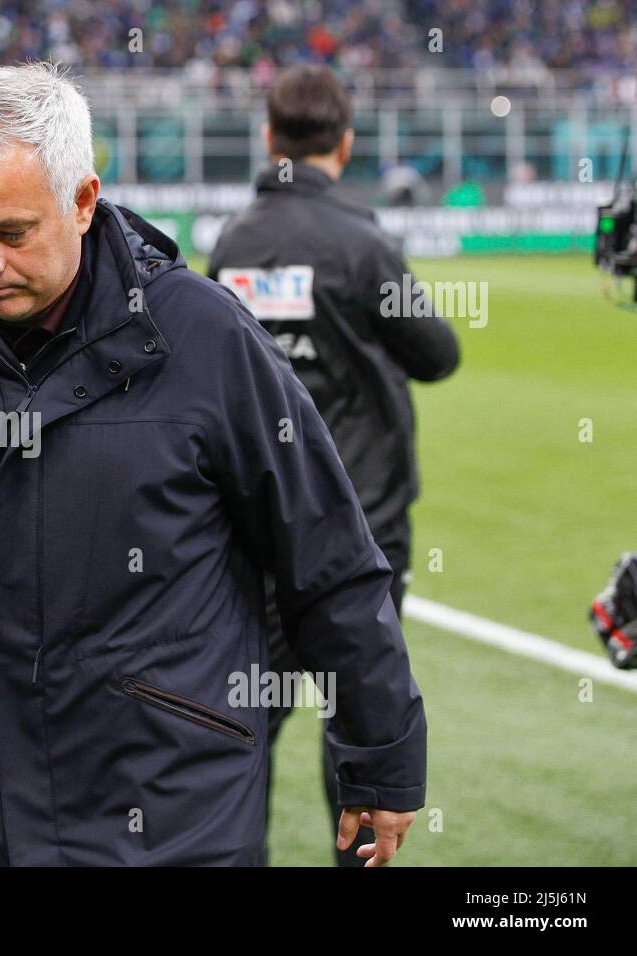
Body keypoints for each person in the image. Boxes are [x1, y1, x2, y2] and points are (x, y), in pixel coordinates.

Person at [0, 63, 426, 867]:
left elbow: (327, 557)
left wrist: (380, 755)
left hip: (172, 822)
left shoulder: (208, 340)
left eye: (10, 232)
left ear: (82, 198)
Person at [206, 64, 460, 866]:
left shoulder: (232, 244)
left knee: (238, 720)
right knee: (360, 725)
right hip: (360, 524)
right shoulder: (363, 242)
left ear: (268, 140)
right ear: (344, 144)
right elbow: (438, 355)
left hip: (259, 526)